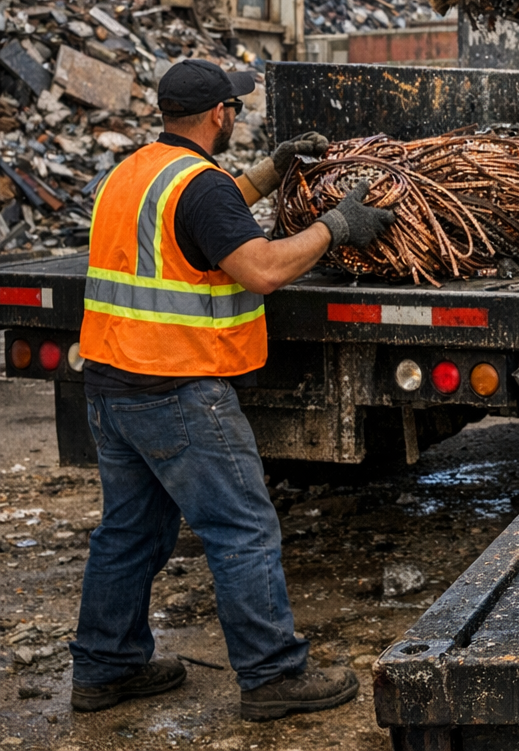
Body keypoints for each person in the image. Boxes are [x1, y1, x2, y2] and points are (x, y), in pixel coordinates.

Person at [69, 59, 395, 721]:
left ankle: (106, 668)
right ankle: (272, 675)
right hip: (177, 388)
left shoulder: (134, 175)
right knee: (241, 528)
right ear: (221, 115)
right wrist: (338, 226)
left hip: (111, 383)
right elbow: (262, 269)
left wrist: (271, 172)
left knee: (129, 533)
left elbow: (198, 224)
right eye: (235, 109)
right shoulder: (200, 188)